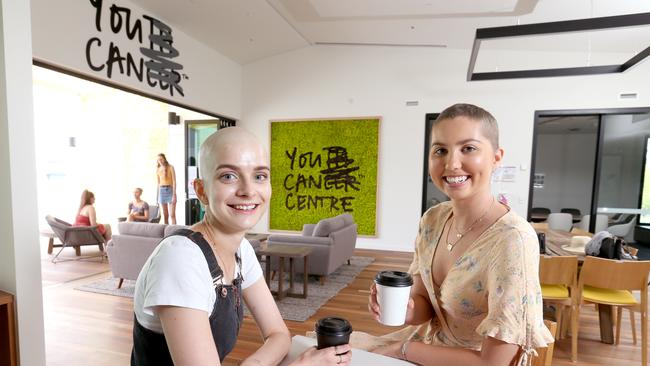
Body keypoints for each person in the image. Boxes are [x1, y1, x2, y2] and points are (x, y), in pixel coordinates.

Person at [132, 127, 352, 366]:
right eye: (228, 176)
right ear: (201, 190)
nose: (248, 191)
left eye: (259, 176)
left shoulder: (241, 250)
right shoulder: (181, 258)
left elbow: (279, 335)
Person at [368, 104, 553, 365]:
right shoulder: (433, 219)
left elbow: (494, 363)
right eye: (440, 150)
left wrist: (402, 349)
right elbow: (424, 305)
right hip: (425, 347)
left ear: (496, 157)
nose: (452, 164)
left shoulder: (512, 239)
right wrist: (407, 310)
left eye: (468, 148)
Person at [156, 153, 177, 225]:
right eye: (158, 160)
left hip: (170, 190)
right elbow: (158, 184)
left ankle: (174, 232)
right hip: (161, 191)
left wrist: (174, 194)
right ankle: (167, 232)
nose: (160, 161)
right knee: (165, 215)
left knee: (172, 215)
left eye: (161, 159)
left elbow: (174, 181)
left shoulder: (171, 167)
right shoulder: (158, 169)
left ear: (164, 159)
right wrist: (157, 197)